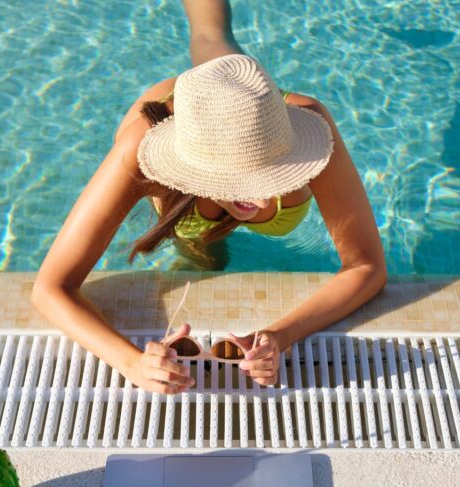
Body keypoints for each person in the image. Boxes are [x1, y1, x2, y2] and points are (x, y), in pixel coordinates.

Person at [30, 0, 386, 394]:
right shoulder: (139, 149)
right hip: (186, 126)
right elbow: (51, 288)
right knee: (203, 251)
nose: (261, 194)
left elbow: (366, 265)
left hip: (233, 107)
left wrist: (279, 336)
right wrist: (131, 363)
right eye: (240, 179)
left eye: (273, 173)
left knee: (213, 38)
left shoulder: (303, 125)